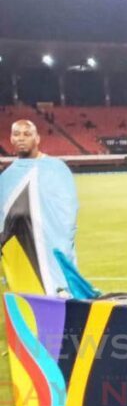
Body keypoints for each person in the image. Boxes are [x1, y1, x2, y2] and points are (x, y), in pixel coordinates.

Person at [0, 118, 79, 295]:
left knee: (58, 309)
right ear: (11, 139)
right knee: (28, 306)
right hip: (21, 255)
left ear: (37, 138)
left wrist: (62, 246)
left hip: (52, 251)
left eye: (27, 134)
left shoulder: (56, 168)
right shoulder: (6, 177)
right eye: (17, 134)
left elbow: (68, 211)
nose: (21, 138)